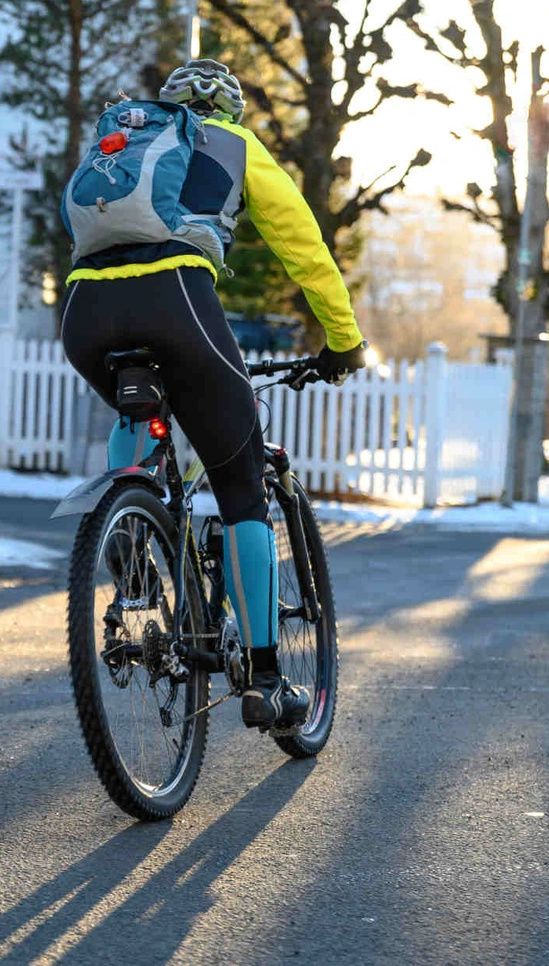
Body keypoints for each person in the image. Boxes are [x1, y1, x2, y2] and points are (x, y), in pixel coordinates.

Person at [59, 59, 367, 732]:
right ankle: (267, 679)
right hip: (175, 299)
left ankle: (131, 532)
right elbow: (305, 248)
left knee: (139, 410)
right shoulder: (234, 141)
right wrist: (343, 340)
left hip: (85, 313)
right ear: (231, 109)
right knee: (240, 483)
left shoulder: (128, 139)